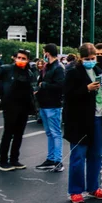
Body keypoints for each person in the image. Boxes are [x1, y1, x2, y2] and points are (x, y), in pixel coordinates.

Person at [63, 43, 102, 203]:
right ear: (80, 58)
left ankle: (93, 187)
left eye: (93, 58)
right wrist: (86, 88)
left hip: (98, 118)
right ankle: (75, 190)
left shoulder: (99, 71)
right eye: (87, 59)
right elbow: (68, 95)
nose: (90, 61)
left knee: (96, 155)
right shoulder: (73, 72)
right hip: (80, 122)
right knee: (78, 156)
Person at [0, 49, 37, 171]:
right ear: (15, 58)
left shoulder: (29, 73)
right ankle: (3, 161)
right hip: (10, 106)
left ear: (28, 60)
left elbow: (31, 88)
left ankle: (14, 159)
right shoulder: (6, 69)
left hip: (23, 106)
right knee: (8, 133)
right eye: (19, 57)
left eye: (23, 58)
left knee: (19, 134)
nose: (20, 60)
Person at [35, 44, 66, 172]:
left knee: (55, 133)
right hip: (45, 104)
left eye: (44, 52)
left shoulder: (58, 68)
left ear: (47, 53)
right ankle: (51, 158)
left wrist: (44, 85)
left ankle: (57, 161)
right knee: (50, 133)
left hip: (52, 104)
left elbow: (60, 86)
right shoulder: (49, 67)